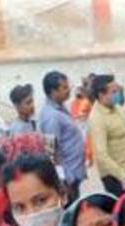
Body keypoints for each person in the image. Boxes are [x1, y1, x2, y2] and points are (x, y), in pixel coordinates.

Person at [39, 71, 88, 199]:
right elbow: (51, 151)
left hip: (74, 173)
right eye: (64, 88)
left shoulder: (60, 108)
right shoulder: (51, 116)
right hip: (67, 177)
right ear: (53, 91)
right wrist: (61, 179)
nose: (69, 90)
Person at [87, 74, 125, 196]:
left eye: (117, 91)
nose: (117, 94)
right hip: (115, 175)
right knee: (120, 209)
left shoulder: (117, 109)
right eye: (114, 92)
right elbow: (101, 154)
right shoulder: (97, 118)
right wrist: (122, 176)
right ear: (101, 95)